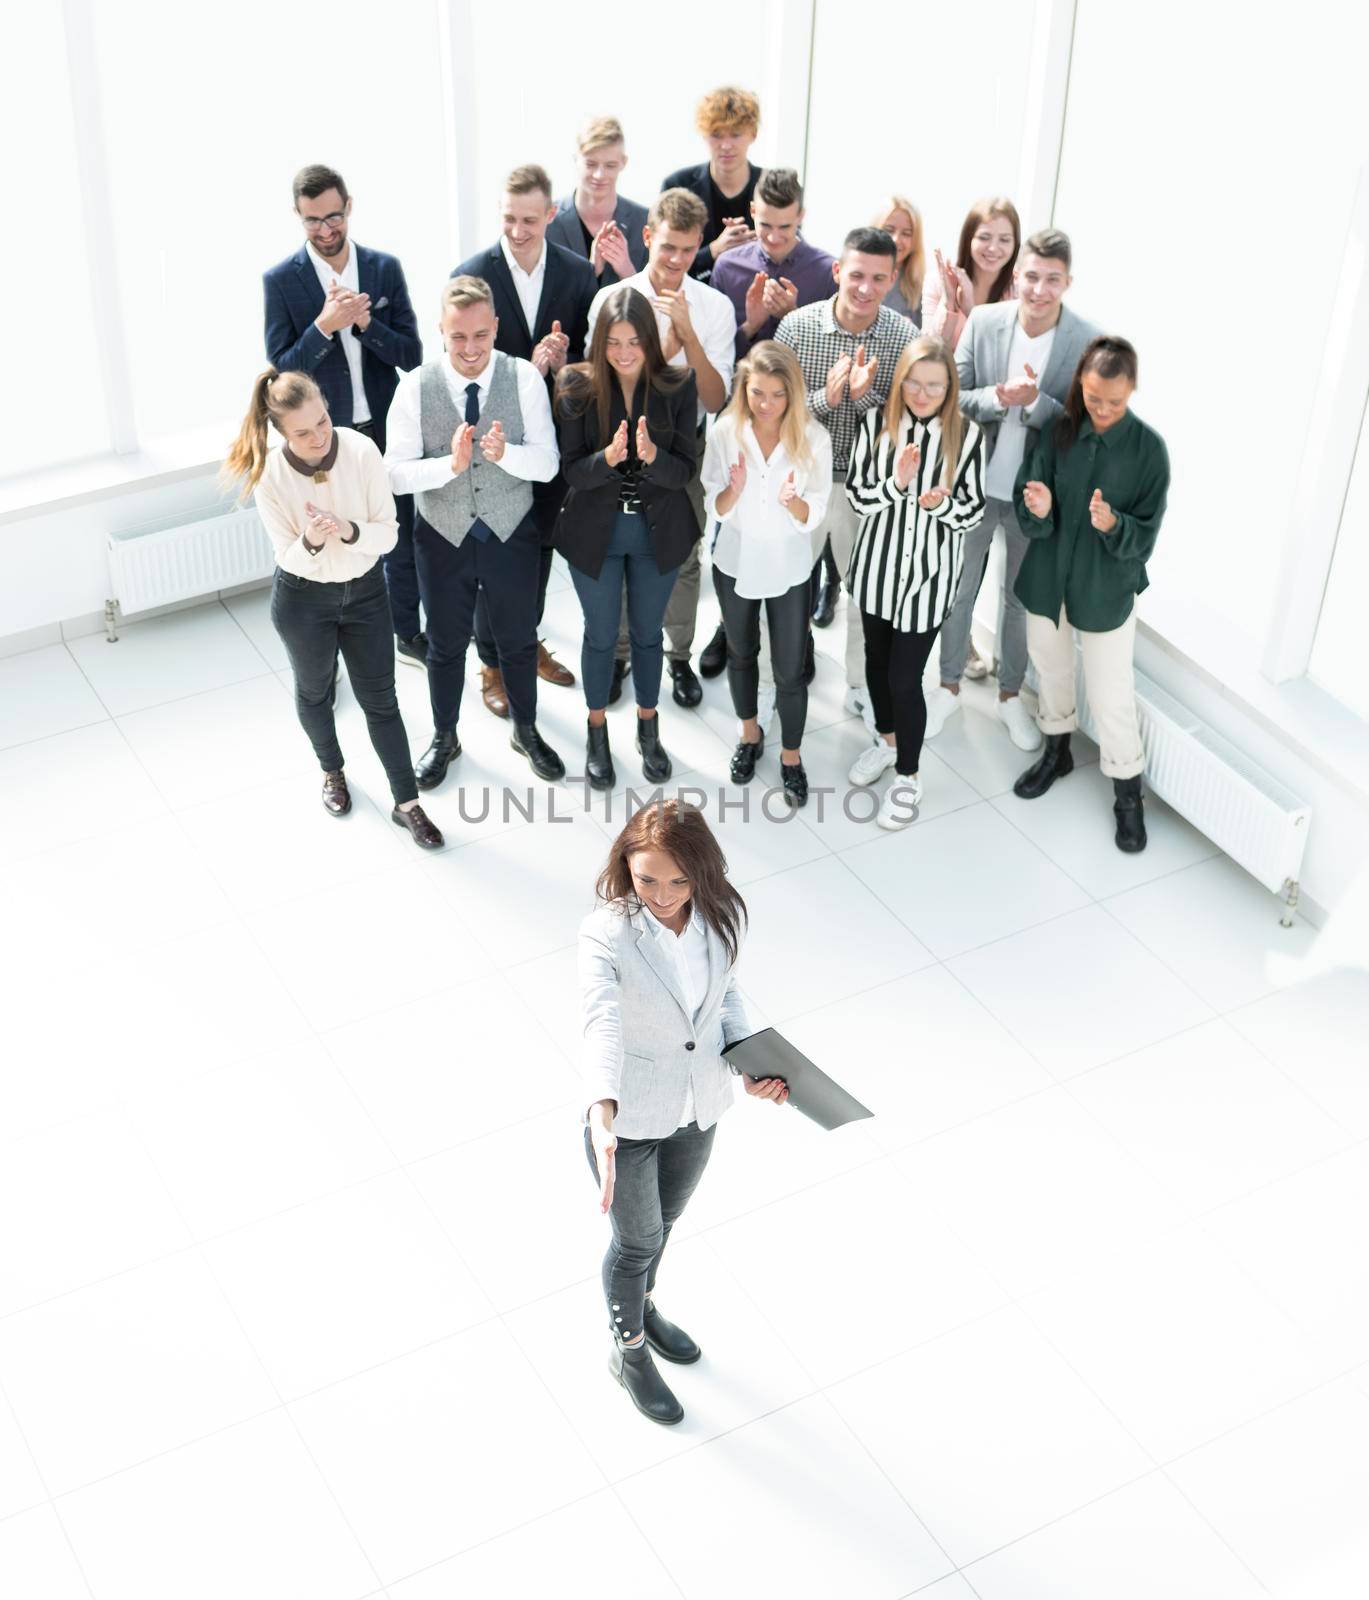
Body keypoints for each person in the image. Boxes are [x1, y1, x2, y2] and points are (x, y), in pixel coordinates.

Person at [580, 799, 788, 1425]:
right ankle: (630, 1350)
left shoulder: (720, 920)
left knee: (663, 1227)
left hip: (700, 1107)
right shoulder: (605, 933)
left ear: (703, 871)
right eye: (646, 879)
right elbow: (601, 1022)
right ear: (625, 867)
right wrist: (600, 1111)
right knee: (635, 1240)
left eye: (678, 880)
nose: (663, 895)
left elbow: (725, 999)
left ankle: (643, 1308)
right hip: (629, 1119)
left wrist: (749, 1061)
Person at [221, 369, 443, 849]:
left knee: (381, 702)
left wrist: (347, 530)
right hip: (303, 601)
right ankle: (332, 771)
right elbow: (286, 555)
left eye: (322, 421)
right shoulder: (270, 475)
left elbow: (389, 533)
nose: (319, 436)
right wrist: (312, 539)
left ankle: (407, 804)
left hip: (366, 595)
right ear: (280, 432)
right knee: (315, 692)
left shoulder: (361, 451)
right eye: (303, 432)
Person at [385, 276, 566, 791]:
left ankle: (525, 730)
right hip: (442, 535)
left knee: (516, 639)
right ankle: (446, 736)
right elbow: (394, 472)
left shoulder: (525, 378)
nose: (470, 349)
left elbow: (549, 464)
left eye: (481, 336)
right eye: (458, 337)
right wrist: (449, 465)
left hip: (511, 531)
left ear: (495, 329)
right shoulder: (413, 387)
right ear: (441, 330)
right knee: (444, 645)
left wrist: (505, 455)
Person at [926, 227, 1099, 752]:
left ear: (1068, 282)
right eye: (1031, 276)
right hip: (974, 484)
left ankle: (1007, 699)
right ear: (1017, 276)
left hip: (1036, 496)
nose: (1039, 290)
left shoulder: (1085, 339)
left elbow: (1081, 422)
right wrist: (1002, 398)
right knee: (959, 592)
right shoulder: (984, 321)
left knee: (1018, 601)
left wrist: (1036, 403)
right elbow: (953, 397)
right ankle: (948, 686)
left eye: (1052, 279)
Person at [263, 165, 427, 668]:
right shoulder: (280, 281)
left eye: (333, 216)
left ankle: (406, 634)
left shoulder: (383, 268)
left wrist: (365, 323)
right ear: (298, 216)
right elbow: (281, 375)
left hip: (382, 427)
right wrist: (323, 327)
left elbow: (412, 355)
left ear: (349, 206)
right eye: (313, 221)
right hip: (320, 439)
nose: (326, 229)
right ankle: (327, 655)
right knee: (326, 542)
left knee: (393, 533)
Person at [1013, 335, 1169, 852]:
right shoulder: (1060, 431)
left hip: (1106, 588)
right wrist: (1038, 508)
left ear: (1133, 391)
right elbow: (1029, 492)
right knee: (1051, 667)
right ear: (1082, 383)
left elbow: (1144, 538)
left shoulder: (1149, 452)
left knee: (1110, 693)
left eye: (1115, 402)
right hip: (1049, 575)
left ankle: (1128, 795)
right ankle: (1056, 751)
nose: (1102, 410)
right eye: (1095, 398)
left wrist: (1113, 522)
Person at [453, 164, 598, 715]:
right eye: (509, 219)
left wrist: (566, 367)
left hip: (553, 447)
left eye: (530, 221)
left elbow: (596, 358)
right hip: (492, 447)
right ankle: (489, 662)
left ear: (552, 214)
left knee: (538, 553)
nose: (517, 231)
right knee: (491, 560)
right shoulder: (470, 275)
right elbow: (460, 368)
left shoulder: (580, 275)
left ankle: (525, 641)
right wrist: (524, 368)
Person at [586, 188, 736, 708]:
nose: (675, 260)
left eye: (688, 250)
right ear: (648, 237)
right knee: (623, 551)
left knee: (682, 556)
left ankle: (678, 656)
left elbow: (716, 398)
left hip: (682, 446)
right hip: (619, 443)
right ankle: (624, 653)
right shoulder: (611, 300)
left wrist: (689, 337)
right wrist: (663, 354)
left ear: (699, 248)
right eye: (667, 246)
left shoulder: (714, 306)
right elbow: (600, 381)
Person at [555, 288, 699, 790]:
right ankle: (596, 733)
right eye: (613, 341)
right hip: (596, 533)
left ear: (650, 341)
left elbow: (685, 473)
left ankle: (648, 729)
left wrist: (653, 456)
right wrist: (610, 460)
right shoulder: (575, 386)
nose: (623, 352)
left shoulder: (678, 385)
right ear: (600, 341)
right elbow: (572, 472)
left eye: (634, 340)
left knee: (646, 634)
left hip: (657, 533)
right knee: (600, 635)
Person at [845, 337, 986, 828]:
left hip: (927, 580)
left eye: (935, 386)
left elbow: (973, 511)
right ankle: (885, 742)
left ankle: (908, 775)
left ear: (950, 388)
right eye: (914, 383)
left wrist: (941, 504)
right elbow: (859, 499)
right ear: (901, 379)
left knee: (906, 680)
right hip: (877, 574)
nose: (922, 395)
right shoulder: (873, 427)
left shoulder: (967, 438)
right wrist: (897, 485)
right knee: (876, 668)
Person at [775, 227, 915, 718]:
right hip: (803, 482)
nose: (865, 288)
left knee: (867, 596)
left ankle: (860, 684)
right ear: (837, 271)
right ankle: (785, 679)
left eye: (878, 278)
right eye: (856, 275)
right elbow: (773, 410)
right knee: (789, 589)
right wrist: (826, 399)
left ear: (892, 279)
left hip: (868, 489)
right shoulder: (796, 328)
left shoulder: (905, 338)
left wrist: (866, 398)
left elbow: (909, 421)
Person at [703, 341, 831, 807]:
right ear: (745, 388)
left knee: (790, 670)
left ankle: (792, 757)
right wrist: (733, 491)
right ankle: (750, 734)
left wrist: (793, 501)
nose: (767, 404)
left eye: (778, 394)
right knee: (741, 654)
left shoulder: (812, 437)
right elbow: (711, 504)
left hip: (790, 568)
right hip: (735, 562)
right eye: (758, 392)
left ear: (792, 393)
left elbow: (815, 510)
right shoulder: (725, 431)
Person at [662, 86, 763, 284]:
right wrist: (714, 250)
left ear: (753, 134)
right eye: (716, 135)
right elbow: (661, 258)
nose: (726, 145)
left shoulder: (772, 187)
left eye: (735, 134)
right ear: (704, 134)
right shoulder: (678, 186)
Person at [547, 116, 651, 289]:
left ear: (623, 163)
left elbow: (654, 301)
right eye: (591, 164)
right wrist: (590, 271)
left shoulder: (645, 221)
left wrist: (628, 272)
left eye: (610, 165)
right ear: (576, 160)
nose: (599, 175)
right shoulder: (548, 221)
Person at [921, 196, 1020, 353]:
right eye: (984, 237)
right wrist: (949, 302)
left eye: (1005, 240)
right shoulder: (937, 281)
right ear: (968, 239)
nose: (993, 248)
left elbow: (1002, 359)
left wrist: (971, 312)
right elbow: (928, 351)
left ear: (1015, 244)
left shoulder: (1019, 292)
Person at [872, 195, 925, 326]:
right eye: (889, 230)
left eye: (906, 233)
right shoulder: (851, 276)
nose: (896, 239)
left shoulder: (921, 287)